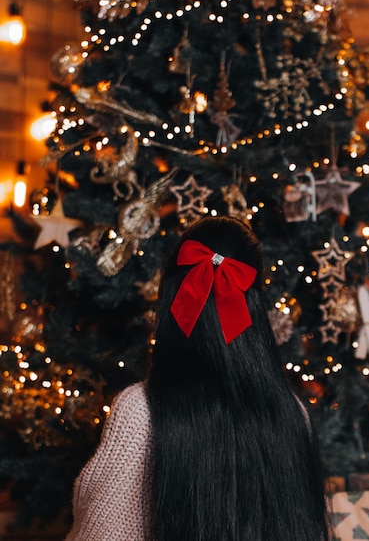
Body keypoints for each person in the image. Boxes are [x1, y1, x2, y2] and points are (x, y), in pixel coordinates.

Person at [65, 215, 330, 541]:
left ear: (173, 292)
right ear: (256, 302)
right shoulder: (291, 412)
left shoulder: (140, 413)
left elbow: (99, 532)